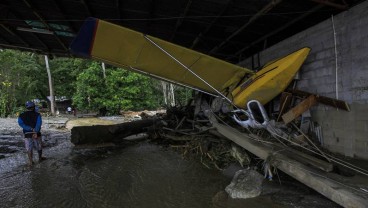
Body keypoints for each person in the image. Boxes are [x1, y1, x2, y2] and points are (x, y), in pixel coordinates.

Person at [18, 101, 45, 166]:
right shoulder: (37, 114)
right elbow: (39, 124)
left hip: (27, 134)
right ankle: (40, 158)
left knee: (29, 148)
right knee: (39, 146)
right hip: (36, 133)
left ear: (26, 107)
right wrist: (35, 131)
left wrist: (29, 128)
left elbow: (21, 123)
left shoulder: (21, 115)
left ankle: (30, 162)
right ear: (33, 107)